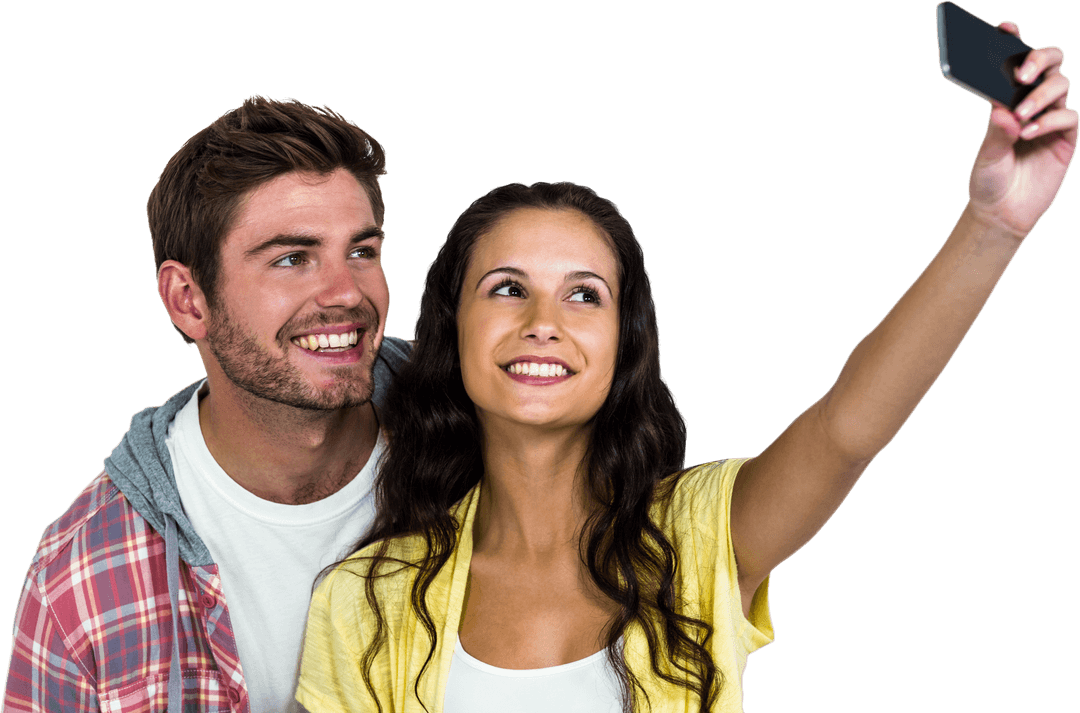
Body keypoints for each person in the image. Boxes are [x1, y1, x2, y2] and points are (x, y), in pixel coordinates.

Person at [295, 22, 1076, 713]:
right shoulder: (367, 598)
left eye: (584, 295)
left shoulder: (695, 538)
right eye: (507, 288)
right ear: (452, 326)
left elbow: (847, 431)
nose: (543, 323)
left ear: (623, 343)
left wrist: (994, 223)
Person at [2, 96, 412, 713]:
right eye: (292, 259)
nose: (346, 293)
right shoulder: (79, 584)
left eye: (362, 252)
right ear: (189, 301)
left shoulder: (485, 449)